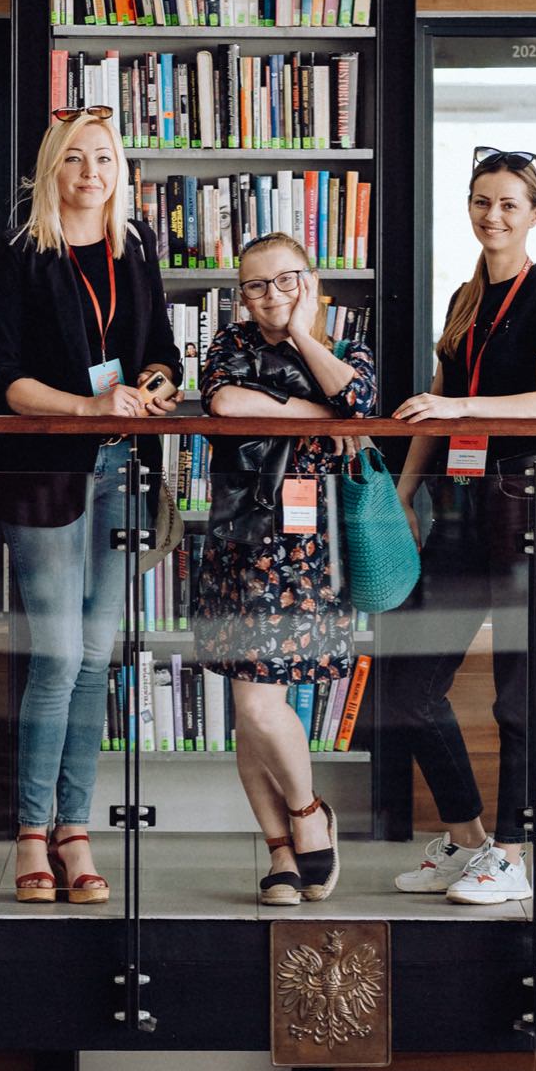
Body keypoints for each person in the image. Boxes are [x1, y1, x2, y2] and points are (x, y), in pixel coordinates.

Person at [0, 107, 181, 904]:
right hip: (47, 475)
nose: (90, 173)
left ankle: (75, 827)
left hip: (121, 469)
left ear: (118, 170)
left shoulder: (136, 250)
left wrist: (156, 386)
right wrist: (89, 407)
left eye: (102, 158)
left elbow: (159, 346)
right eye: (74, 160)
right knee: (58, 657)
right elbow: (1, 379)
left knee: (97, 656)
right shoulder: (23, 259)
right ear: (50, 172)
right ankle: (30, 831)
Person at [390, 149, 536, 905]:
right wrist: (404, 491)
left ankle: (513, 853)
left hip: (528, 507)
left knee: (517, 695)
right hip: (459, 507)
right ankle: (470, 843)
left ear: (534, 213)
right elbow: (436, 398)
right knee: (408, 686)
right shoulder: (464, 299)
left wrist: (460, 410)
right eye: (479, 201)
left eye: (507, 203)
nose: (491, 215)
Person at [195, 234, 375, 906]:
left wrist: (304, 338)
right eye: (256, 286)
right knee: (250, 704)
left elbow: (360, 404)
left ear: (312, 281)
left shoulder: (346, 346)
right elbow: (224, 405)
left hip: (303, 551)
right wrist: (319, 416)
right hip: (239, 543)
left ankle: (301, 819)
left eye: (286, 280)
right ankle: (285, 844)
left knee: (258, 700)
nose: (271, 296)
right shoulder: (228, 346)